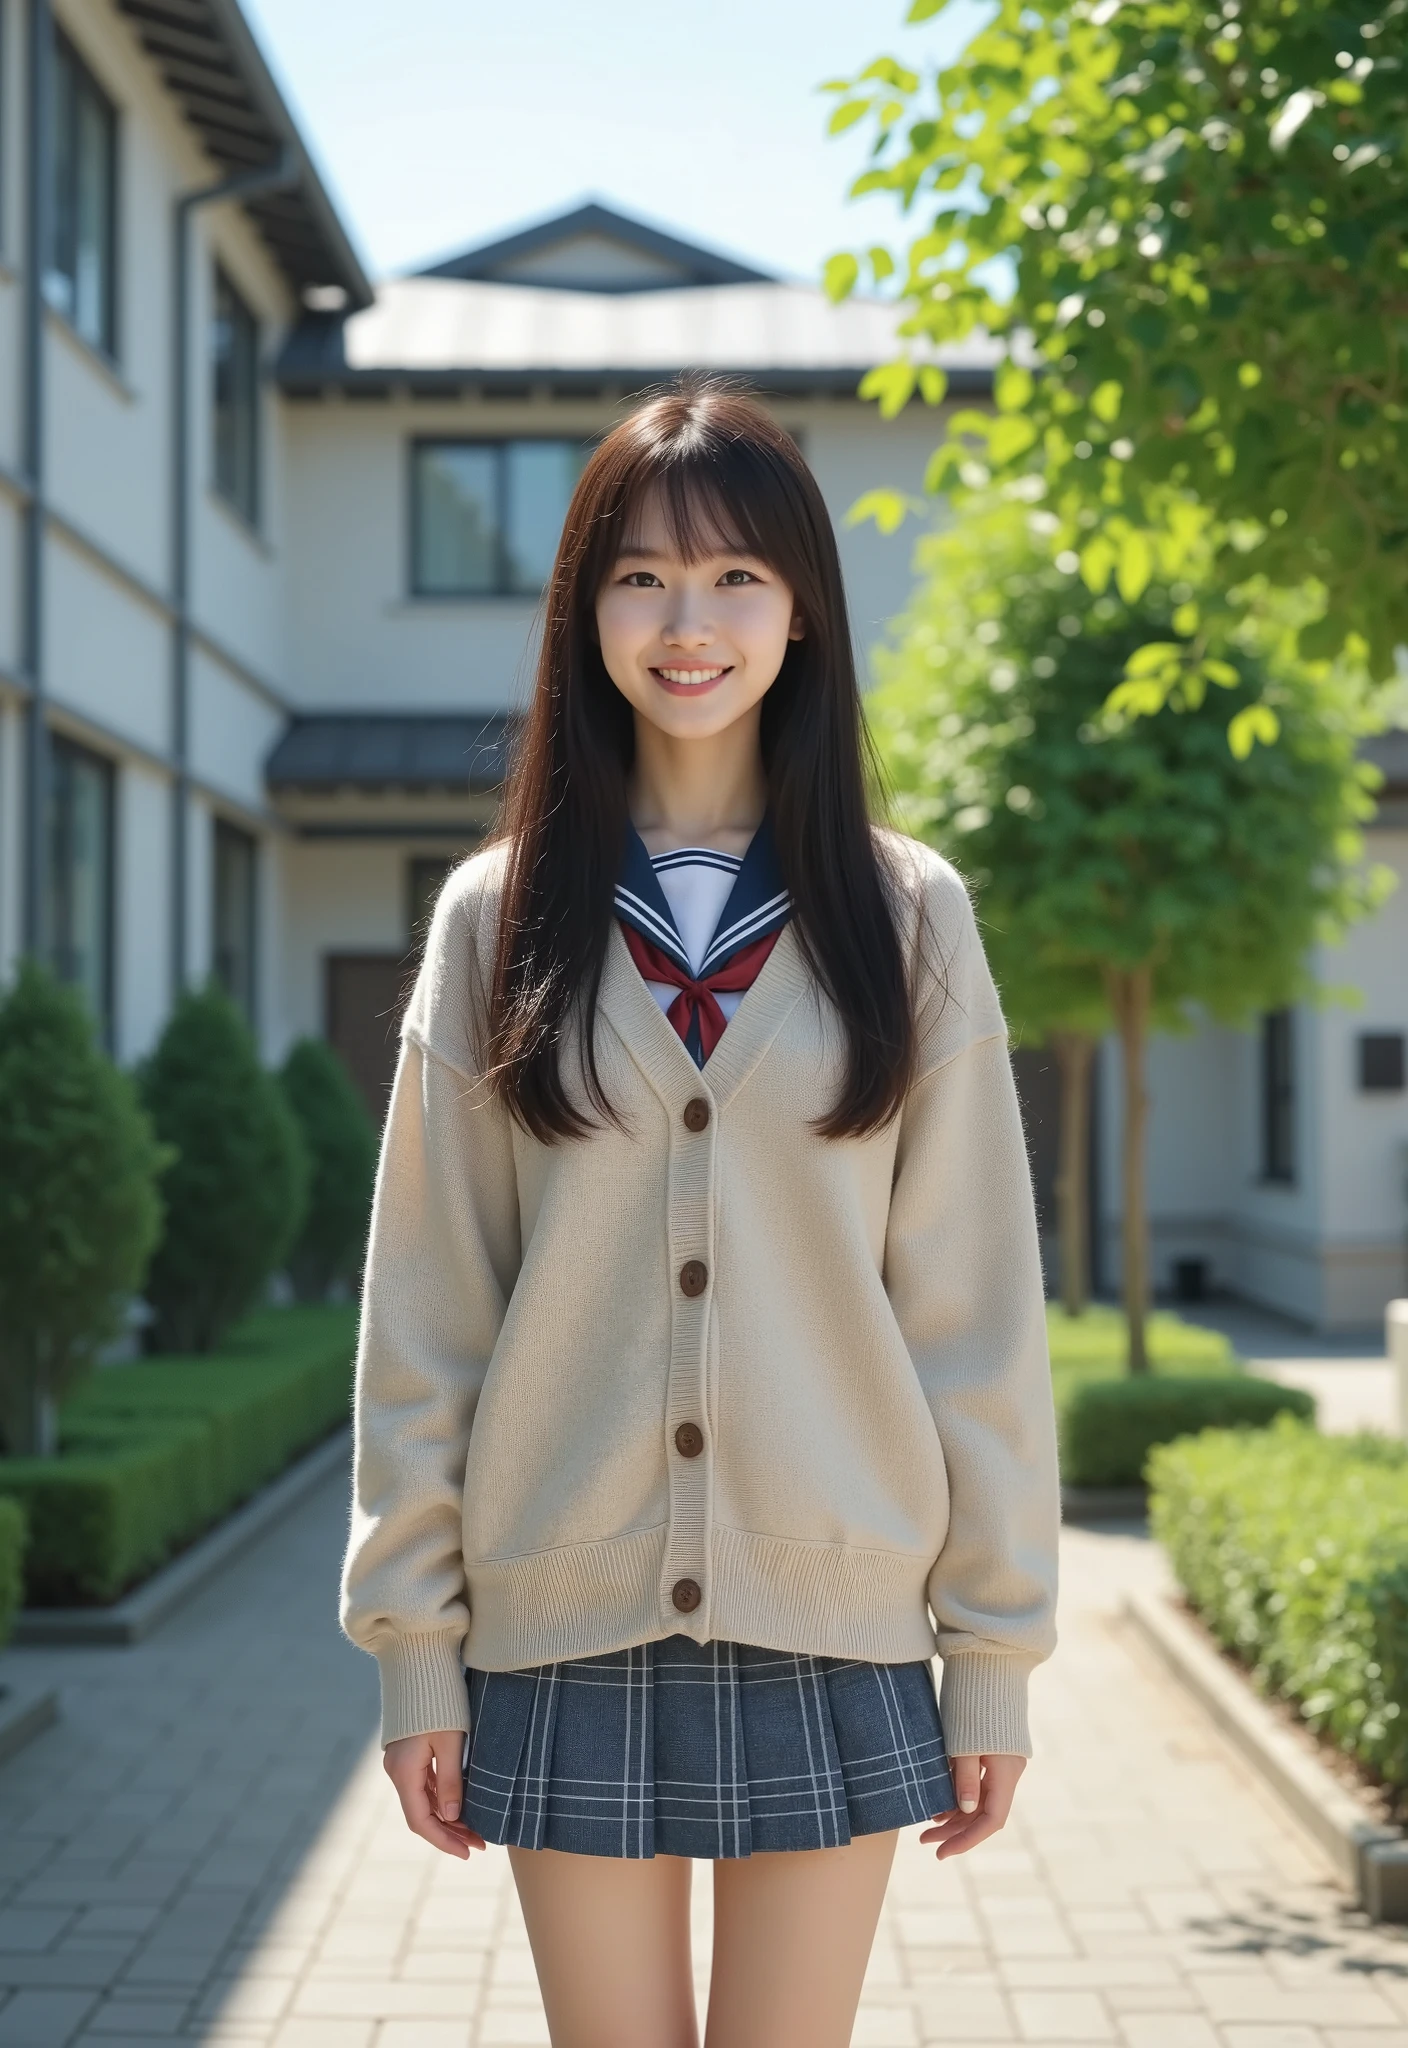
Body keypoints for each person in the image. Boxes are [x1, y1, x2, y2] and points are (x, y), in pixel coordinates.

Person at [340, 379, 1060, 2048]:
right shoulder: (498, 916)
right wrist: (414, 1644)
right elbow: (429, 1310)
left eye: (738, 575)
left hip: (834, 1615)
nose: (689, 622)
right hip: (559, 1611)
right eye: (642, 577)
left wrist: (993, 1651)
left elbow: (974, 1311)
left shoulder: (907, 912)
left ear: (802, 611)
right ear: (583, 611)